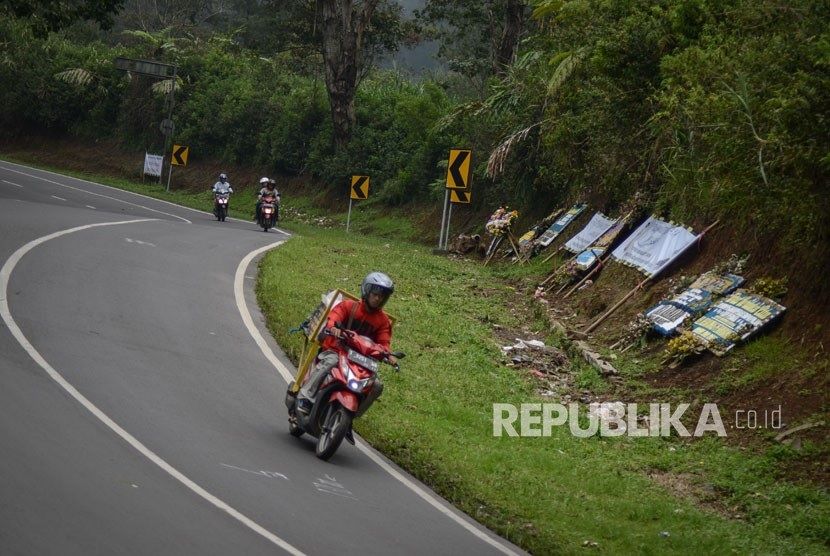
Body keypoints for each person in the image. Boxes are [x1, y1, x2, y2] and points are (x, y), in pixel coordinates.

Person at [297, 272, 397, 413]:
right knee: (329, 362)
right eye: (375, 294)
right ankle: (305, 398)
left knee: (377, 386)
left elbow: (384, 342)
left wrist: (388, 355)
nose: (378, 299)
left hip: (361, 361)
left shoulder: (383, 321)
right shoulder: (349, 306)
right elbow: (333, 318)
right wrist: (332, 328)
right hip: (337, 350)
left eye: (382, 296)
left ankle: (352, 415)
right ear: (366, 291)